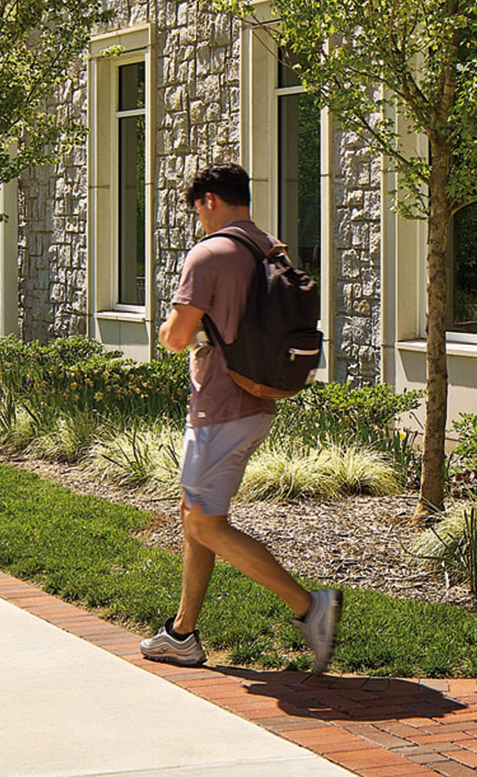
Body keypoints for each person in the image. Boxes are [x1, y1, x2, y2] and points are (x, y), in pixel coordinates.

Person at [140, 161, 343, 674]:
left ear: (208, 200)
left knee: (203, 522)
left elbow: (176, 336)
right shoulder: (267, 247)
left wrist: (169, 329)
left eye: (197, 212)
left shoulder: (209, 254)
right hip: (256, 402)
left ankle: (309, 607)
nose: (198, 222)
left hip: (220, 408)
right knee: (197, 517)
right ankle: (182, 634)